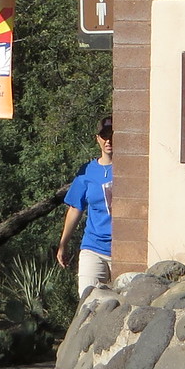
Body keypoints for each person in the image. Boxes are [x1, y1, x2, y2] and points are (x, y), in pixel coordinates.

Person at [56, 116, 115, 298]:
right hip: (94, 247)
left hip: (122, 249)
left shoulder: (131, 169)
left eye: (112, 134)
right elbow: (75, 209)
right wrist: (63, 245)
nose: (108, 140)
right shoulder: (86, 172)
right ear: (97, 138)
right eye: (104, 136)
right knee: (87, 302)